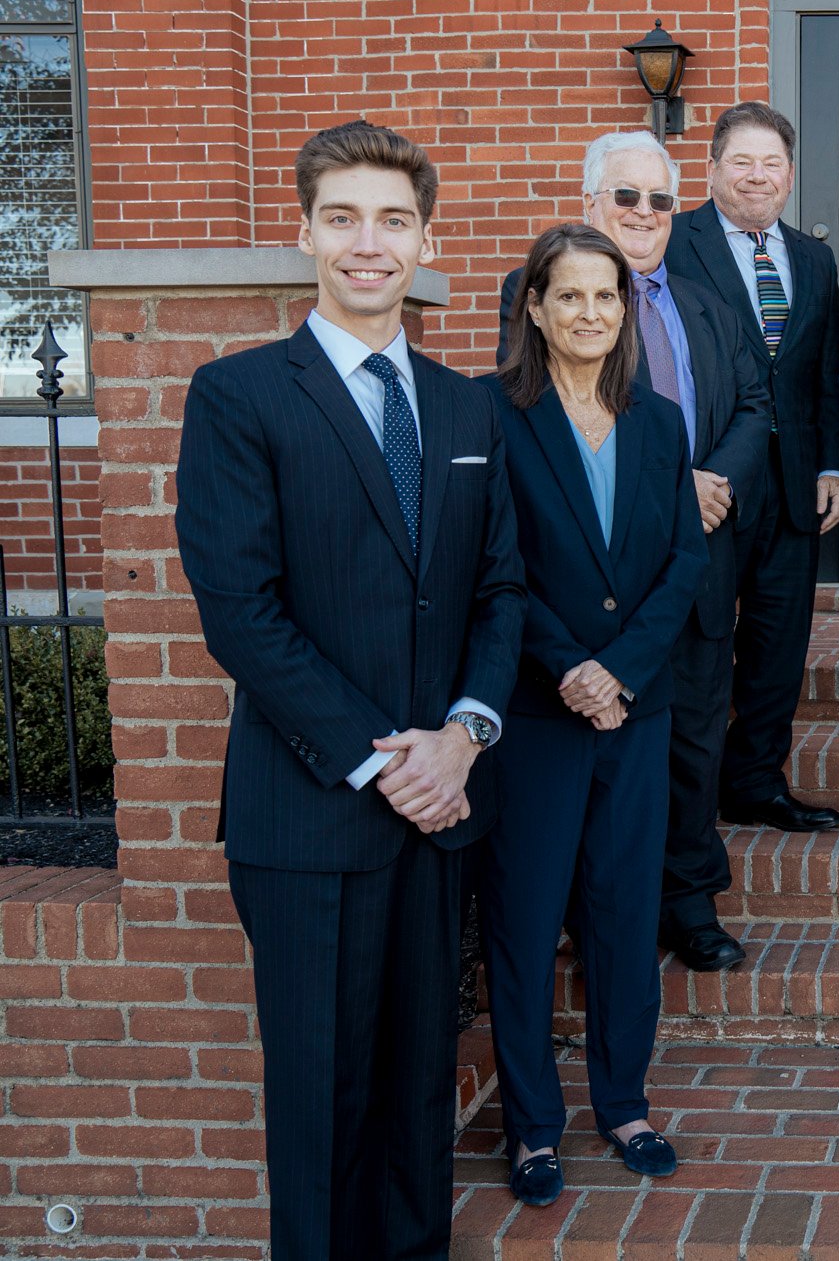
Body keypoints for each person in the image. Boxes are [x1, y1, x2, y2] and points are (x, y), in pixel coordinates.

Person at [176, 120, 524, 1261]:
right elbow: (242, 612)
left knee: (420, 1093)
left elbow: (500, 590)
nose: (368, 243)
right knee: (323, 1104)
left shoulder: (467, 408)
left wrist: (463, 736)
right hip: (313, 814)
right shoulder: (239, 396)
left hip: (441, 811)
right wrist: (386, 760)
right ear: (306, 234)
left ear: (425, 240)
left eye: (392, 220)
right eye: (343, 218)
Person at [498, 130, 771, 972]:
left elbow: (754, 402)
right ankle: (597, 915)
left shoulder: (707, 302)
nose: (645, 212)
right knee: (594, 746)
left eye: (659, 199)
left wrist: (712, 480)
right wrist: (673, 484)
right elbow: (538, 416)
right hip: (587, 584)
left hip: (694, 561)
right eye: (626, 196)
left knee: (693, 735)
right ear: (590, 203)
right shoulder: (540, 291)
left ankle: (688, 901)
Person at [478, 224, 708, 1206]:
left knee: (623, 916)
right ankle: (533, 1124)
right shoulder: (492, 414)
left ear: (626, 310)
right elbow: (490, 563)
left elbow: (684, 561)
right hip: (537, 713)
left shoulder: (658, 422)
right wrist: (570, 665)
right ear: (533, 306)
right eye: (568, 295)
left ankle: (623, 1102)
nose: (589, 313)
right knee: (527, 923)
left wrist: (620, 669)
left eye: (606, 296)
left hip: (635, 711)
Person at [666, 101, 839, 835]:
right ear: (711, 168)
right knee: (705, 643)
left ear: (791, 175)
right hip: (711, 481)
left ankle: (756, 784)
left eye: (771, 163)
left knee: (778, 644)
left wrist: (835, 464)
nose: (756, 175)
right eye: (741, 161)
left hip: (796, 483)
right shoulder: (673, 243)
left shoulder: (812, 257)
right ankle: (691, 797)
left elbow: (825, 371)